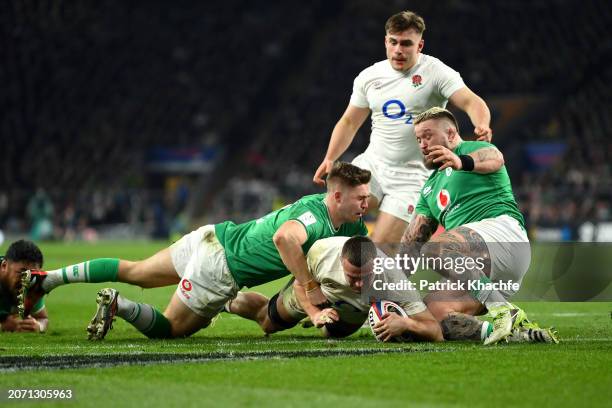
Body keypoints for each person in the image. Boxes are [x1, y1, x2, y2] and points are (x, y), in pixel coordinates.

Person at [20, 162, 371, 340]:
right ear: (337, 196)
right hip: (220, 268)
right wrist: (310, 298)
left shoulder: (354, 224)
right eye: (360, 198)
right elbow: (284, 239)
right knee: (171, 329)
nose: (367, 202)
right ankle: (119, 304)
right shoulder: (313, 214)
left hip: (214, 236)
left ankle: (48, 280)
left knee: (136, 271)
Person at [313, 10, 492, 249]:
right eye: (393, 42)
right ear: (385, 41)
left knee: (380, 252)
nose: (399, 50)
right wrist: (330, 158)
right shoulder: (369, 77)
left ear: (420, 45)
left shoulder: (436, 72)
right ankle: (307, 282)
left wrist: (482, 124)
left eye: (407, 43)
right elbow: (349, 122)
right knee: (330, 220)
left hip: (413, 178)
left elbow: (471, 101)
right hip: (372, 166)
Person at [398, 107, 557, 345]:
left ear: (451, 134)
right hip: (476, 269)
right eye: (418, 138)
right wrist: (389, 287)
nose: (422, 144)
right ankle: (516, 333)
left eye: (428, 136)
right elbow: (412, 243)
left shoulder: (473, 150)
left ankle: (502, 309)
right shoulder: (429, 189)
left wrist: (461, 161)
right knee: (428, 316)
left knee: (435, 249)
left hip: (503, 236)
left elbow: (495, 158)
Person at [227, 235, 443, 342]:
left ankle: (325, 322)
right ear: (341, 261)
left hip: (353, 310)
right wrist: (314, 313)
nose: (358, 284)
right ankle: (225, 301)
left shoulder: (394, 279)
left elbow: (435, 331)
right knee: (268, 322)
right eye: (352, 277)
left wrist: (406, 323)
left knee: (333, 335)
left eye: (365, 277)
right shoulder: (322, 253)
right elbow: (301, 284)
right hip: (319, 291)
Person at [0, 240, 48, 333]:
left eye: (32, 274)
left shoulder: (32, 284)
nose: (26, 279)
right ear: (4, 266)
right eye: (22, 272)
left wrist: (38, 326)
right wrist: (2, 326)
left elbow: (43, 318)